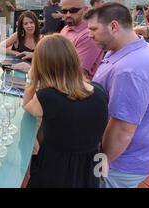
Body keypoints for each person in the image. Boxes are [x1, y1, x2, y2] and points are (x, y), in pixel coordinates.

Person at [85, 2, 149, 188]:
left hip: (119, 162)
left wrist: (102, 160)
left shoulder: (130, 70)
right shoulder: (132, 50)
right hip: (131, 155)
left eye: (93, 29)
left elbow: (123, 129)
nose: (89, 34)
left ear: (114, 26)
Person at [23, 34, 109, 188]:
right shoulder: (99, 92)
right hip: (88, 166)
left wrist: (31, 79)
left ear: (41, 65)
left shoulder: (47, 97)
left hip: (55, 168)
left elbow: (28, 106)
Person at [60, 0, 104, 80]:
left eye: (73, 10)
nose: (68, 15)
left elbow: (77, 72)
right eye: (64, 11)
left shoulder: (89, 35)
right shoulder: (66, 29)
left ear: (85, 9)